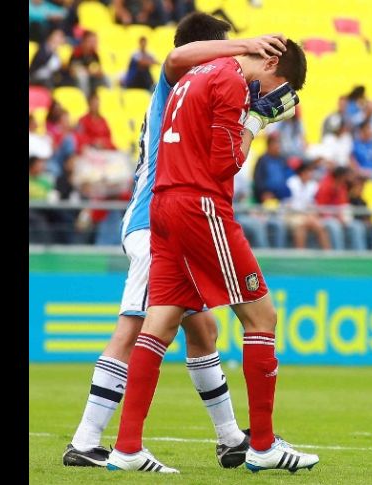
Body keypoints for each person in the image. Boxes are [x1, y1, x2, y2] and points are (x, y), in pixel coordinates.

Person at [62, 13, 291, 470]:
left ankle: (230, 439)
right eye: (220, 50)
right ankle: (86, 441)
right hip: (154, 222)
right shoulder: (178, 81)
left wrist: (252, 119)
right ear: (205, 51)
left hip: (163, 219)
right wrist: (243, 48)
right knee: (136, 328)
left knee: (201, 328)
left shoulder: (198, 92)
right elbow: (177, 57)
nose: (229, 62)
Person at [106, 34, 317, 473]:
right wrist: (256, 124)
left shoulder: (196, 73)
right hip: (200, 205)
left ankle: (126, 448)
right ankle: (262, 446)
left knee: (159, 323)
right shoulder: (233, 81)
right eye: (278, 85)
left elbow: (177, 60)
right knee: (262, 317)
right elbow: (225, 164)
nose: (272, 94)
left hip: (163, 204)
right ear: (272, 66)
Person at [286, 162, 331, 250]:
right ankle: (300, 255)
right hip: (291, 214)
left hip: (308, 215)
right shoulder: (290, 183)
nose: (310, 174)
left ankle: (328, 254)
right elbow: (288, 204)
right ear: (302, 173)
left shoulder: (313, 185)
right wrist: (305, 215)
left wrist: (310, 215)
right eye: (308, 172)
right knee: (301, 227)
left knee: (320, 227)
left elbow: (312, 204)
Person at [68, 30, 107, 96]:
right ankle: (84, 99)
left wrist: (99, 72)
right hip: (75, 81)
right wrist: (88, 71)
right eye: (91, 41)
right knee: (82, 77)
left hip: (92, 80)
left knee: (106, 77)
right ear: (84, 41)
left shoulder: (95, 55)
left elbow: (98, 68)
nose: (93, 44)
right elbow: (73, 70)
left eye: (95, 41)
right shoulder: (77, 53)